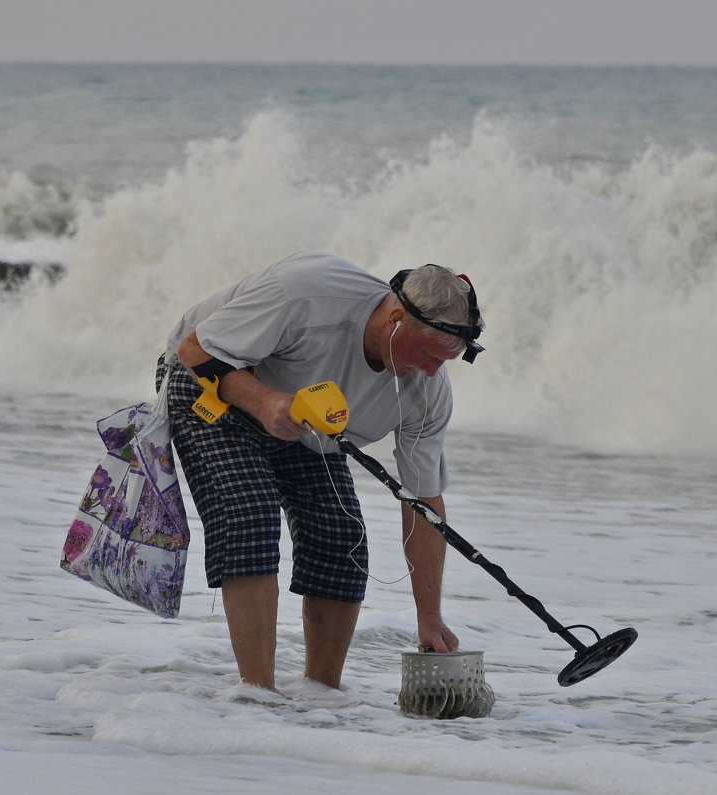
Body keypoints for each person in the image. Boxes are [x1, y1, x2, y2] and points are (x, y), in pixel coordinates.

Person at [155, 251, 486, 692]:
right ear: (395, 322)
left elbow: (422, 501)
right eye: (428, 356)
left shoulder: (427, 391)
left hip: (307, 417)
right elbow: (194, 349)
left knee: (340, 539)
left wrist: (429, 619)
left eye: (445, 362)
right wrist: (265, 402)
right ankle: (259, 696)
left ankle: (320, 697)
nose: (432, 372)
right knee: (250, 517)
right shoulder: (304, 291)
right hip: (210, 379)